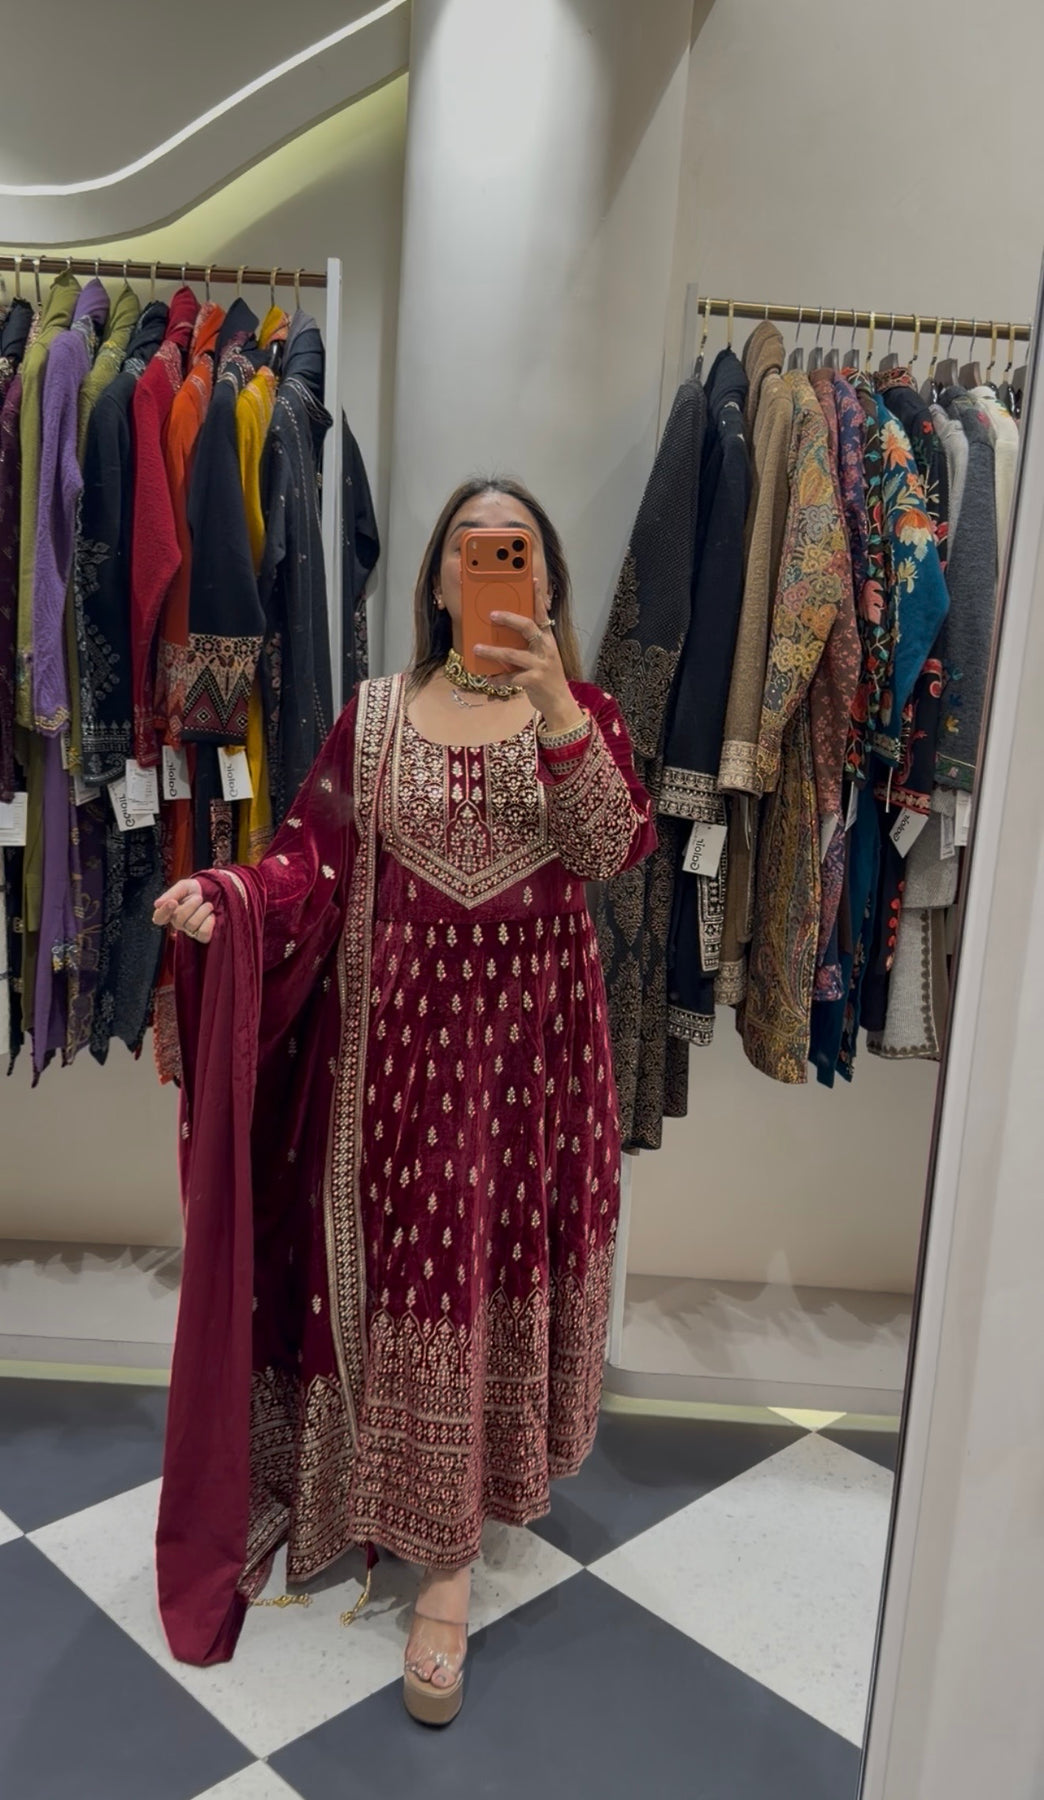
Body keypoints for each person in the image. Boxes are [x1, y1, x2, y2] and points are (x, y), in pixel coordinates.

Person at [152, 476, 656, 1725]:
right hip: (401, 1068)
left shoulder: (586, 713)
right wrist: (233, 896)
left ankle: (449, 1569)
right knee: (422, 1285)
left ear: (546, 581)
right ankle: (405, 1519)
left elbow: (611, 849)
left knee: (493, 1279)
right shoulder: (373, 716)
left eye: (517, 550)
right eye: (472, 549)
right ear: (437, 577)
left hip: (536, 1069)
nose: (492, 566)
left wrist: (554, 704)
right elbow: (310, 859)